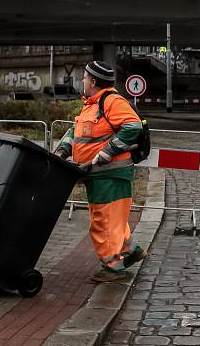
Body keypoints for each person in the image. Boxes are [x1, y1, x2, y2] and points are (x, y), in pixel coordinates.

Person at [54, 60, 146, 274]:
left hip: (110, 173)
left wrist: (107, 152)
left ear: (93, 81)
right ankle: (131, 251)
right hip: (98, 175)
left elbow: (133, 127)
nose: (83, 80)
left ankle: (113, 266)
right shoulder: (92, 104)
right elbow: (76, 132)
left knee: (103, 223)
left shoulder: (112, 101)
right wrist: (63, 150)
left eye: (85, 77)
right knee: (112, 221)